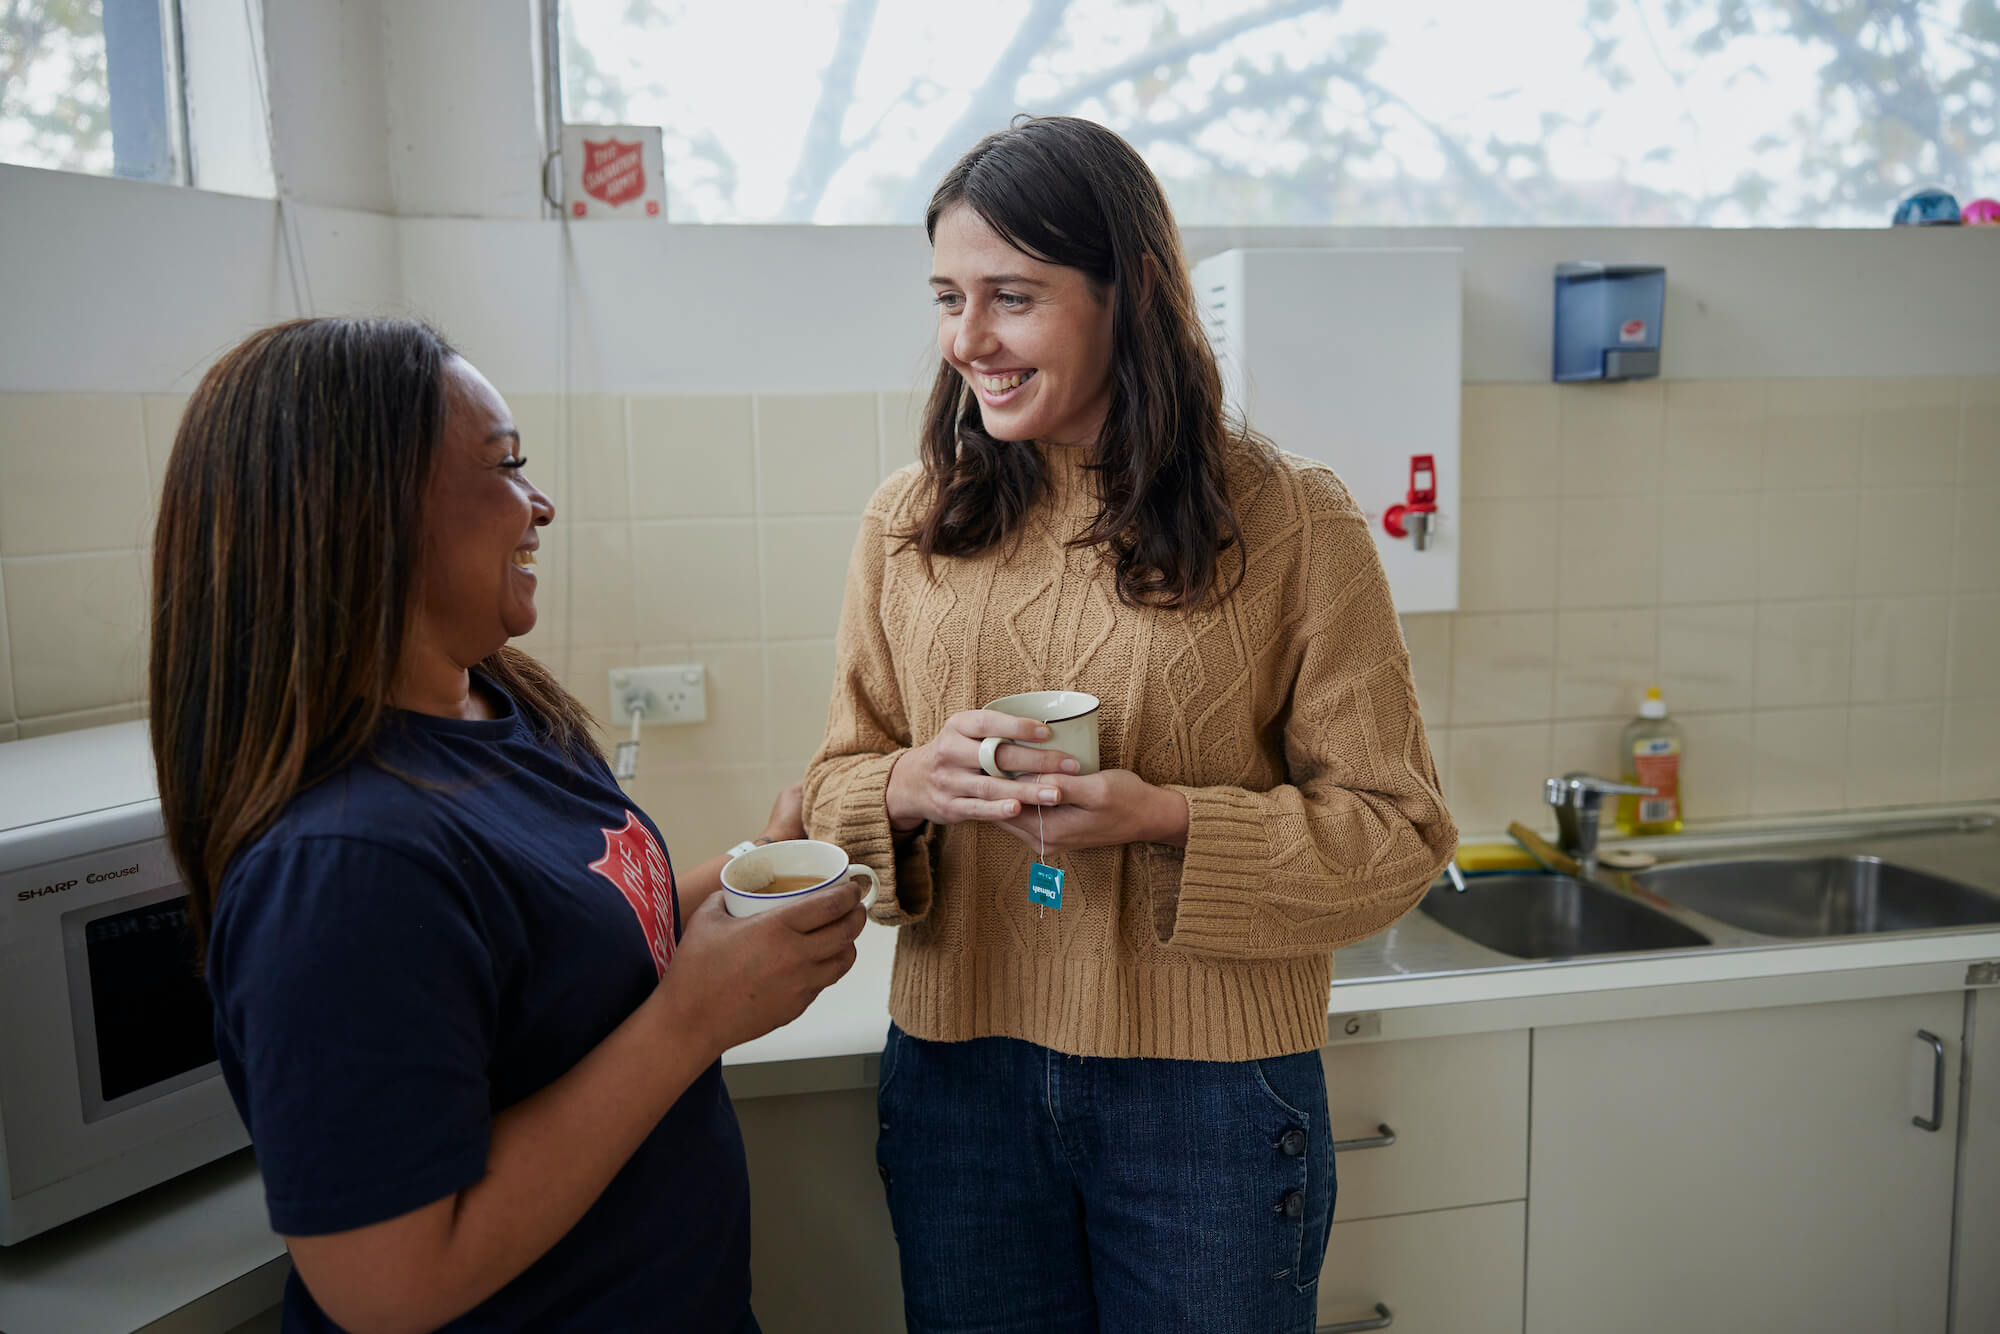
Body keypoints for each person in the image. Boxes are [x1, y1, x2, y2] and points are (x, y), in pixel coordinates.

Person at [803, 116, 1457, 1334]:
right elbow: (835, 782)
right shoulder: (907, 522)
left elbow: (1399, 833)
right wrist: (904, 787)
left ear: (1132, 292)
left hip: (1206, 1095)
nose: (968, 341)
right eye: (948, 297)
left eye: (1012, 296)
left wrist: (1164, 819)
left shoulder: (1290, 518)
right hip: (960, 1079)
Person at [149, 317, 867, 1333]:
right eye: (503, 465)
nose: (539, 503)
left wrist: (780, 864)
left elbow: (579, 942)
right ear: (366, 512)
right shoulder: (341, 863)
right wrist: (693, 1019)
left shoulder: (495, 702)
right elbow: (386, 1284)